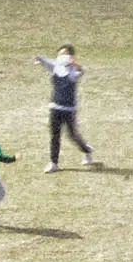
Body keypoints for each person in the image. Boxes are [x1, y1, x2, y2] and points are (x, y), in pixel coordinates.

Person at [35, 44, 93, 173]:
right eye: (60, 54)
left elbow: (82, 71)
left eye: (65, 54)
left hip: (69, 109)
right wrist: (39, 58)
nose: (61, 57)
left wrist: (74, 64)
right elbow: (46, 61)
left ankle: (87, 150)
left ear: (71, 56)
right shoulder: (56, 66)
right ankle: (54, 163)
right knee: (55, 135)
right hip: (55, 107)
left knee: (72, 135)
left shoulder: (74, 71)